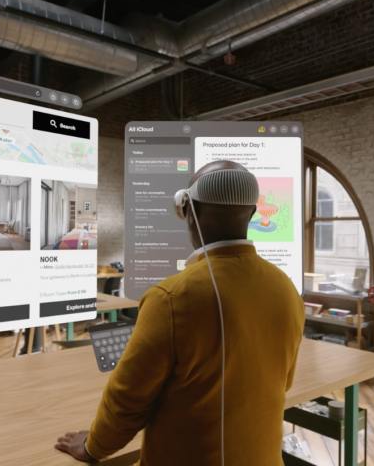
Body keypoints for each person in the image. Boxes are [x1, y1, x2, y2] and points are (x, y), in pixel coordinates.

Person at [55, 160, 304, 465]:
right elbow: (283, 381)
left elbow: (127, 401)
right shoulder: (286, 289)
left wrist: (92, 446)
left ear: (187, 210)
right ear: (252, 213)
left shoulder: (171, 298)